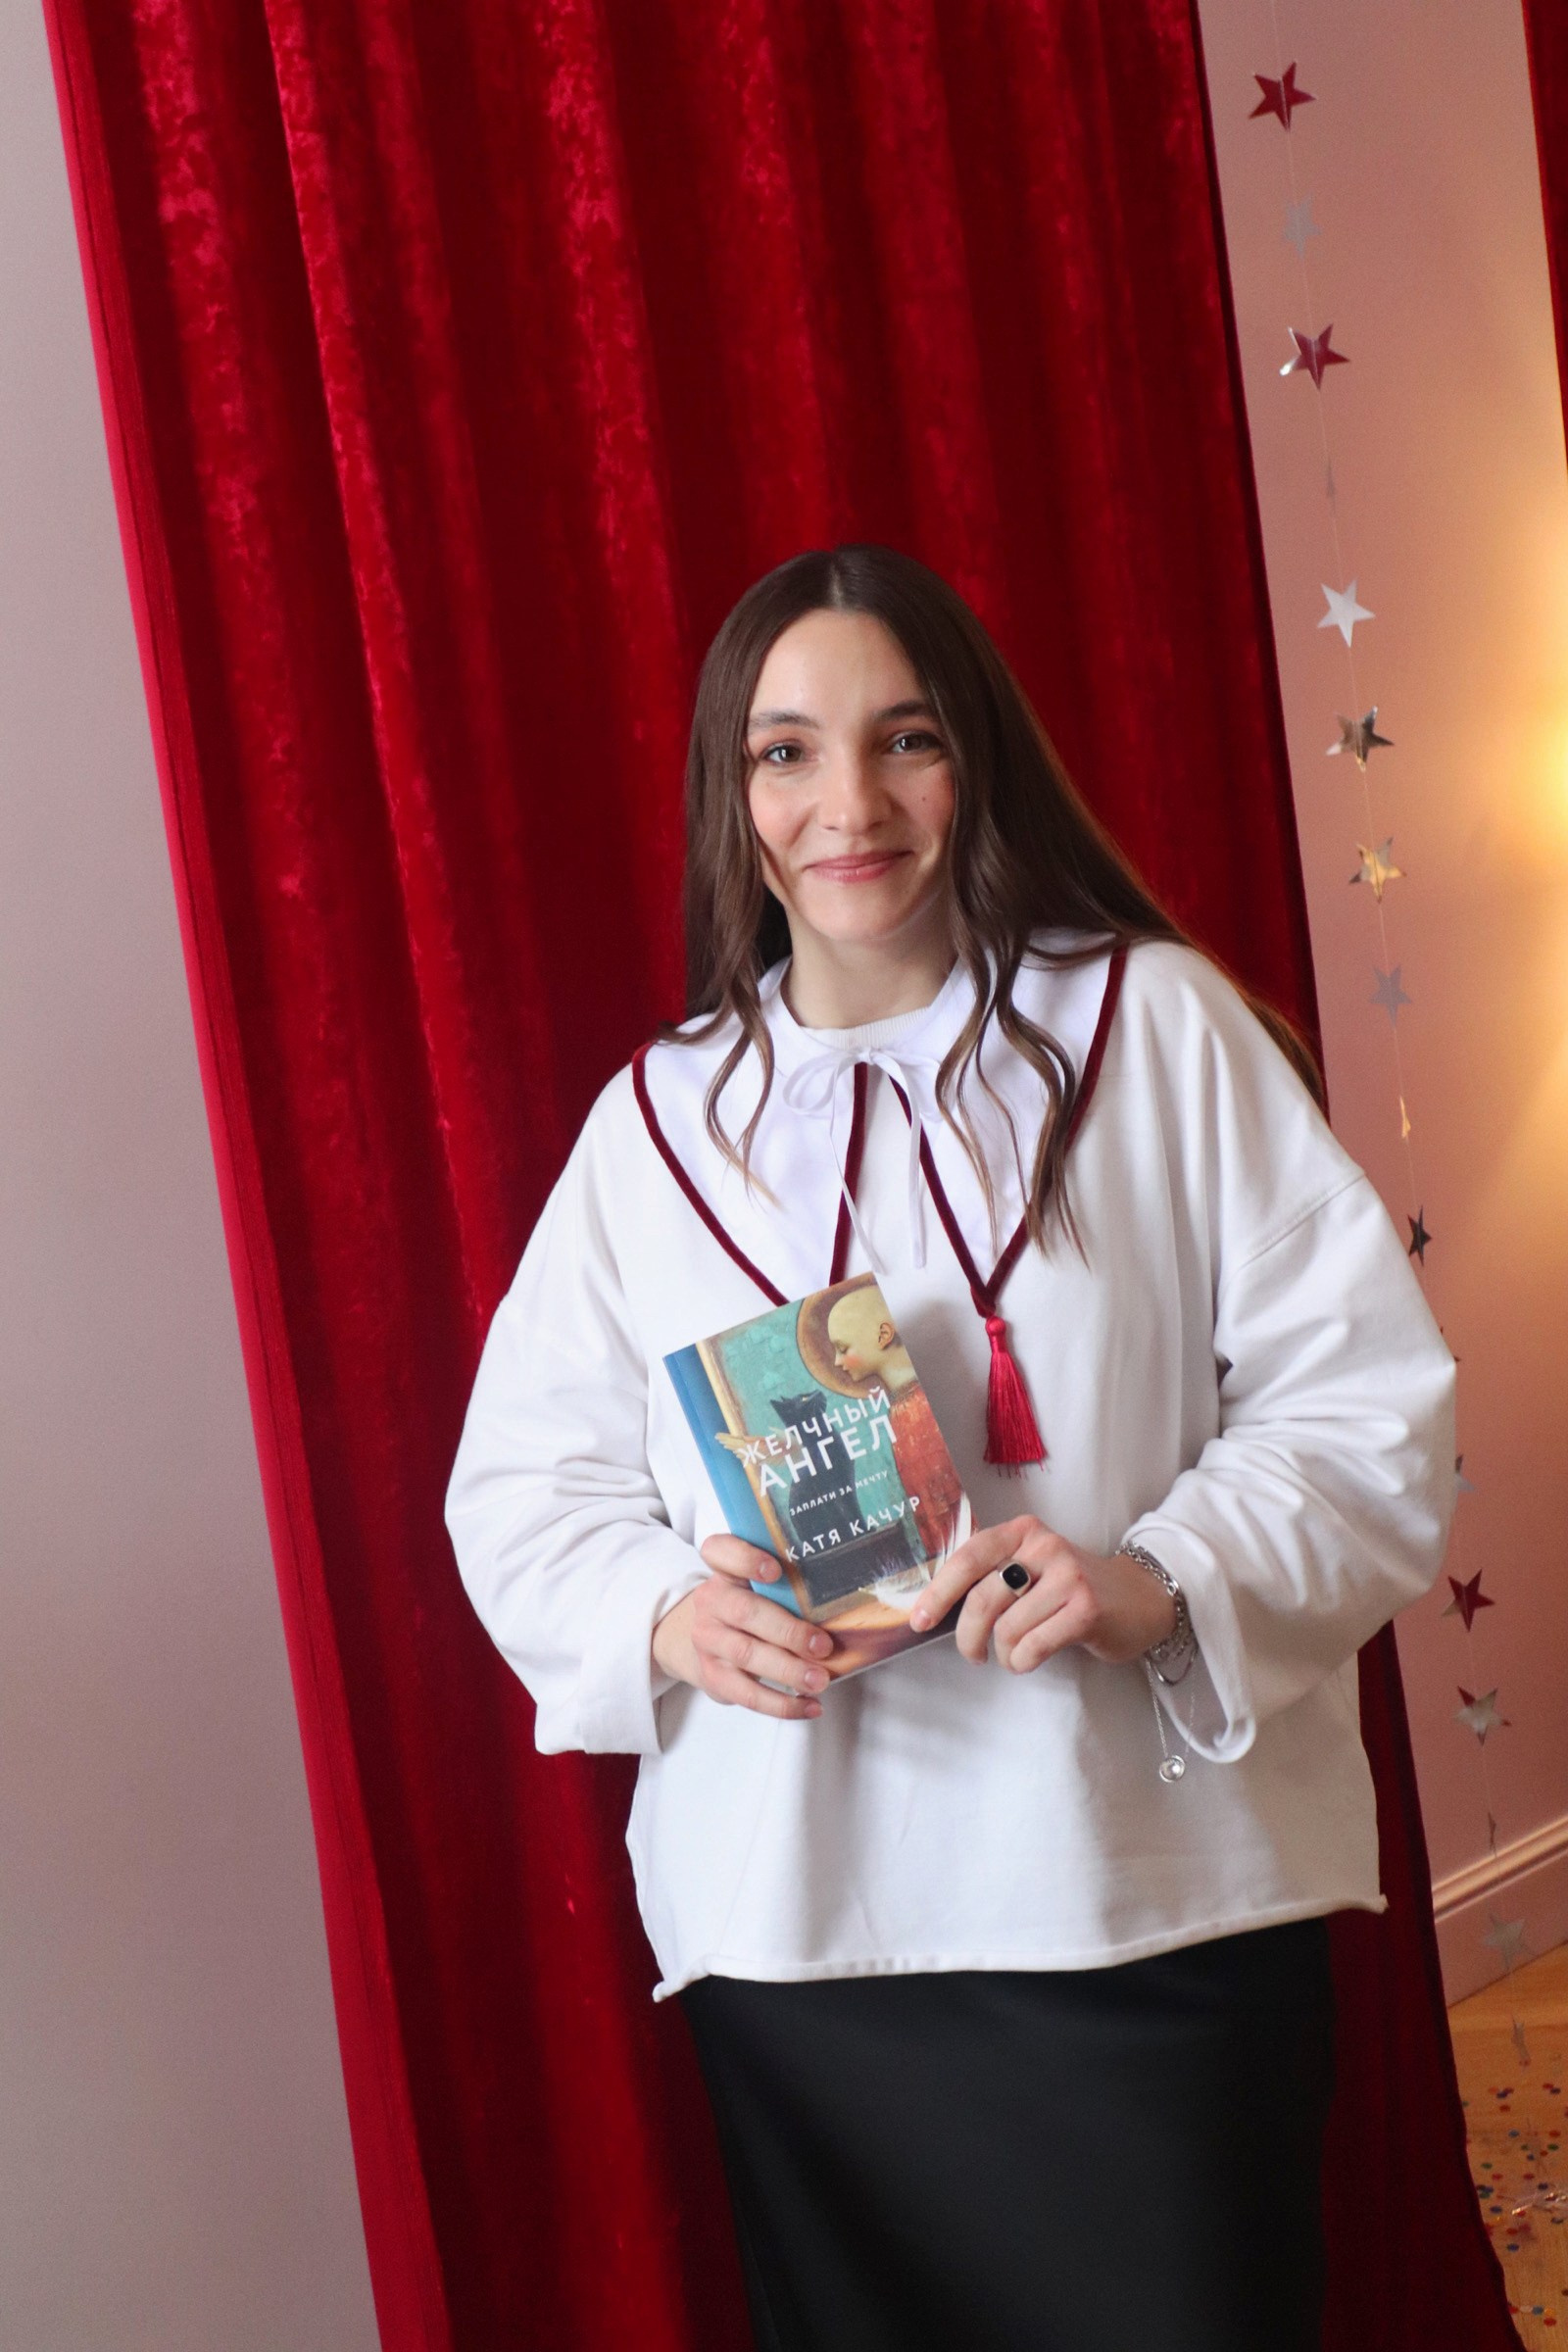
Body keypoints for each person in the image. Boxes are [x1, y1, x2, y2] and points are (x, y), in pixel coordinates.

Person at [445, 543, 1457, 2352]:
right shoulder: (655, 1123)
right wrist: (672, 1616)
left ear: (974, 758)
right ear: (732, 792)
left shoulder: (1154, 1027)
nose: (849, 806)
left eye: (903, 739)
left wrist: (1158, 1579)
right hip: (807, 1938)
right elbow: (524, 1485)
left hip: (1147, 1899)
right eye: (787, 752)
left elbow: (1365, 1402)